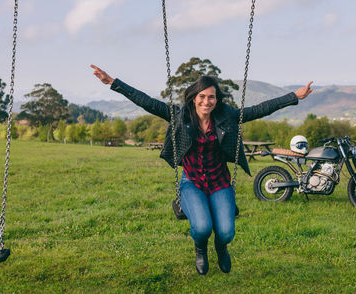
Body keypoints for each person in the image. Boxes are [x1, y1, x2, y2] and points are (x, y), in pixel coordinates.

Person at [90, 64, 313, 275]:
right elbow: (146, 101)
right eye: (202, 97)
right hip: (192, 182)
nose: (207, 101)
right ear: (194, 98)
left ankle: (221, 248)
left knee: (226, 232)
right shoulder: (180, 115)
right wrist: (112, 81)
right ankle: (201, 249)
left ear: (217, 99)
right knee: (203, 227)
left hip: (220, 182)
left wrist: (294, 96)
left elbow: (261, 109)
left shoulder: (227, 116)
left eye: (211, 97)